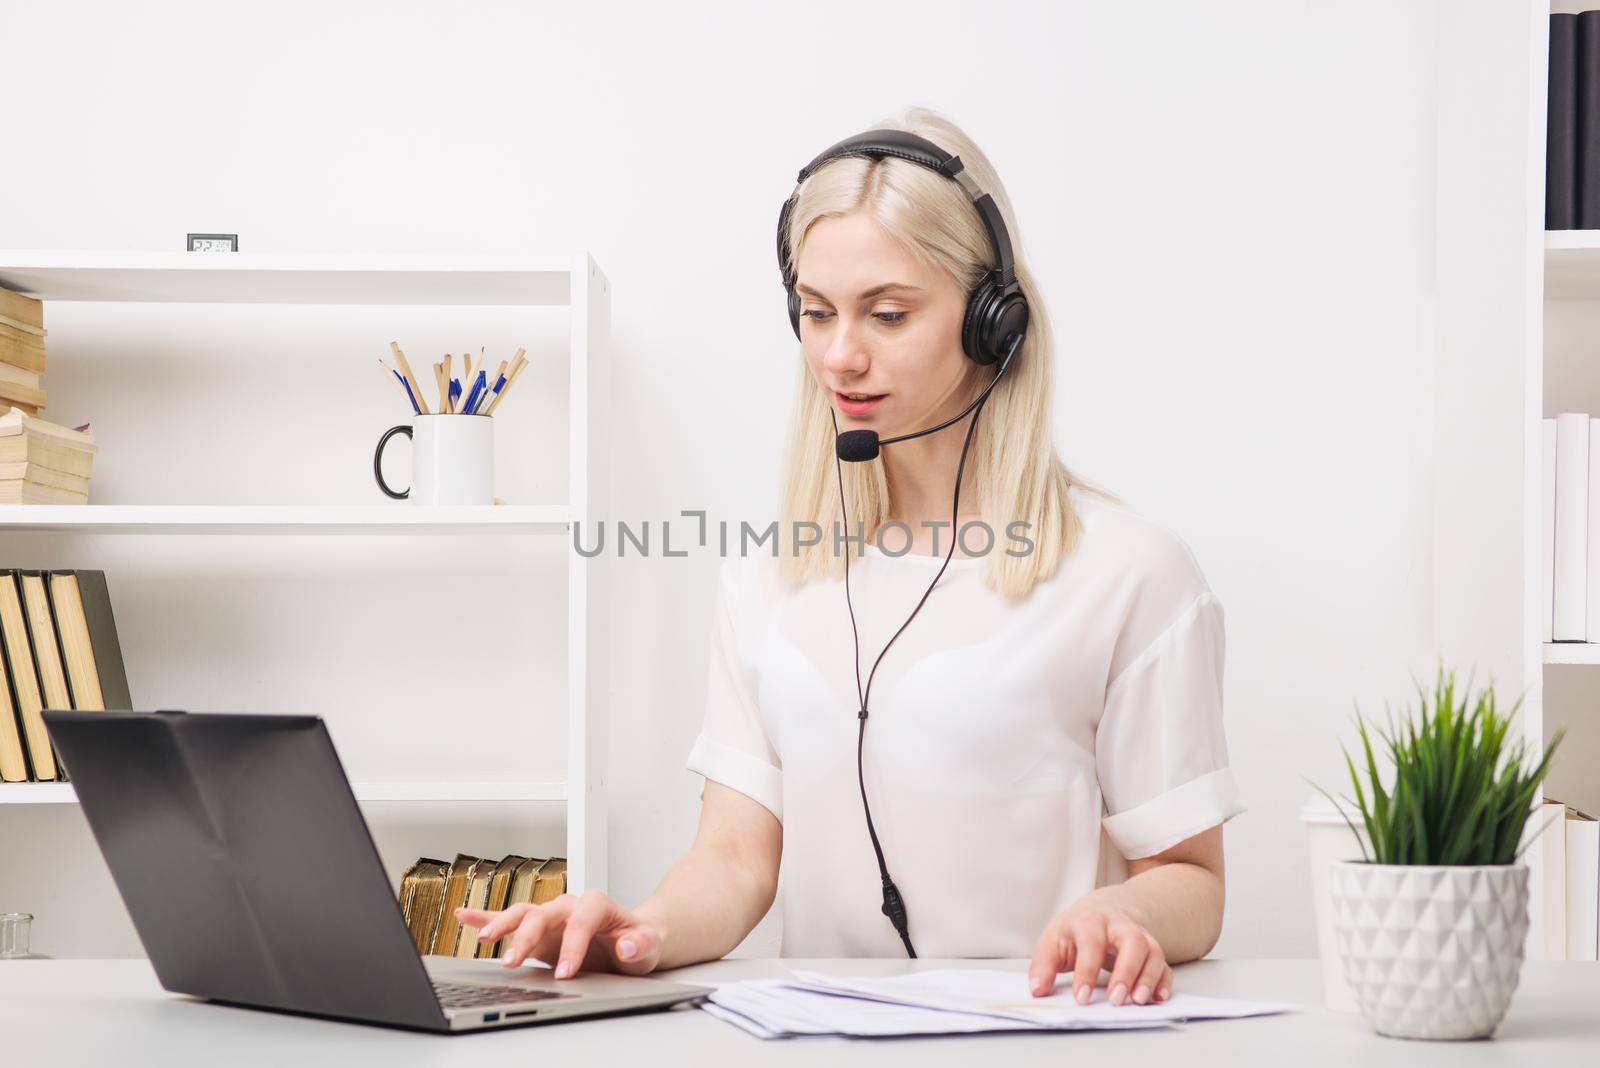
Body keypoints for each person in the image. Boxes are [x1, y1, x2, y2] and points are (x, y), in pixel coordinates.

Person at [456, 107, 1246, 1008]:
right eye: (817, 313)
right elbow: (735, 859)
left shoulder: (1131, 573)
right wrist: (644, 930)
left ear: (995, 320)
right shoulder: (766, 579)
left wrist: (1124, 913)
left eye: (889, 313)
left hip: (1032, 1040)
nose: (840, 355)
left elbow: (1193, 880)